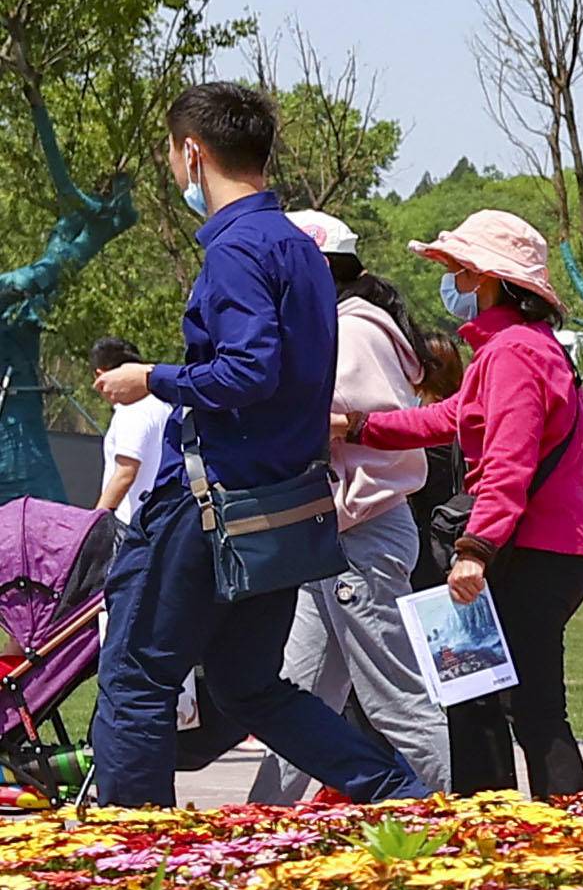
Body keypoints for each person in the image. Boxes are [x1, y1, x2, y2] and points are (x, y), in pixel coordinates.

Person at [84, 83, 423, 809]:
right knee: (248, 684)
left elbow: (248, 368)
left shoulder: (237, 250)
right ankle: (392, 788)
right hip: (286, 502)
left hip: (213, 501)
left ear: (192, 153)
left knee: (138, 676)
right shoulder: (300, 249)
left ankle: (130, 851)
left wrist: (154, 378)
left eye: (174, 157)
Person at [345, 205, 583, 797]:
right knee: (484, 696)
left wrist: (475, 550)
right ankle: (507, 826)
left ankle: (551, 836)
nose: (452, 281)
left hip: (523, 553)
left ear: (485, 279)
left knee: (521, 706)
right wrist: (357, 426)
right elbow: (448, 418)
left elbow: (509, 459)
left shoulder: (512, 354)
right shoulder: (521, 347)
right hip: (547, 548)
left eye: (458, 268)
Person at [249, 211, 450, 804]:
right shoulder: (344, 324)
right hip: (330, 533)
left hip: (360, 533)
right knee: (297, 694)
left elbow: (365, 422)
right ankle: (263, 823)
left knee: (396, 696)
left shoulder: (354, 330)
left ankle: (439, 820)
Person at [88, 343, 169, 515]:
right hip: (163, 518)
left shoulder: (131, 409)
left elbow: (125, 473)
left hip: (132, 525)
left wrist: (94, 522)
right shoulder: (164, 404)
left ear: (99, 375)